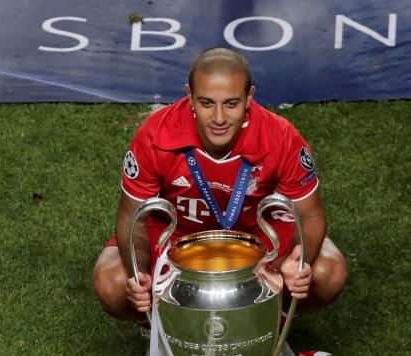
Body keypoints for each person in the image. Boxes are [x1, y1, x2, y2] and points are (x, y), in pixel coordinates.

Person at [93, 48, 346, 323]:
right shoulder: (156, 134)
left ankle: (266, 327)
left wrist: (293, 262)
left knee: (328, 272)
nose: (219, 118)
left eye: (231, 103)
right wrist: (138, 274)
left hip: (256, 233)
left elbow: (310, 214)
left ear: (249, 97)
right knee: (112, 282)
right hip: (176, 233)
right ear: (189, 96)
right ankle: (165, 333)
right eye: (206, 103)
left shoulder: (280, 136)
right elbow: (131, 216)